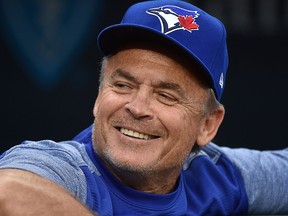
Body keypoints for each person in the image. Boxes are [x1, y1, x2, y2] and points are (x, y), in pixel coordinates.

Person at [0, 0, 287, 215]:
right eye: (123, 85)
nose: (137, 108)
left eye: (166, 95)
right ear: (99, 97)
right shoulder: (70, 169)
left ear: (207, 124)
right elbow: (8, 191)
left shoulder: (216, 175)